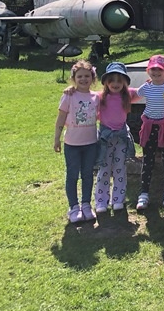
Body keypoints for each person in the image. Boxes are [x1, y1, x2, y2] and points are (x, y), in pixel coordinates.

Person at [54, 60, 100, 224]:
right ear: (74, 78)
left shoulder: (96, 97)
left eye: (87, 76)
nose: (83, 79)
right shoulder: (68, 96)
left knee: (88, 174)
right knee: (72, 175)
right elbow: (61, 118)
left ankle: (86, 205)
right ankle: (74, 207)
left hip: (91, 143)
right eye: (79, 76)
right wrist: (57, 138)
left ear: (92, 78)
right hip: (72, 144)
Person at [135, 54, 164, 210]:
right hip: (150, 126)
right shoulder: (146, 87)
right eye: (153, 69)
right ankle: (144, 193)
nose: (156, 73)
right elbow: (134, 94)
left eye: (160, 70)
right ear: (148, 71)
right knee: (148, 160)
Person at [94, 62, 137, 214]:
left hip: (121, 137)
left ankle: (118, 200)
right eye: (112, 80)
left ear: (125, 82)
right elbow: (83, 95)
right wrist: (71, 90)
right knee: (104, 169)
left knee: (120, 169)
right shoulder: (99, 97)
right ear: (106, 82)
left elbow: (147, 89)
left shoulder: (128, 95)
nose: (115, 84)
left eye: (120, 80)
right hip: (105, 139)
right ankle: (101, 201)